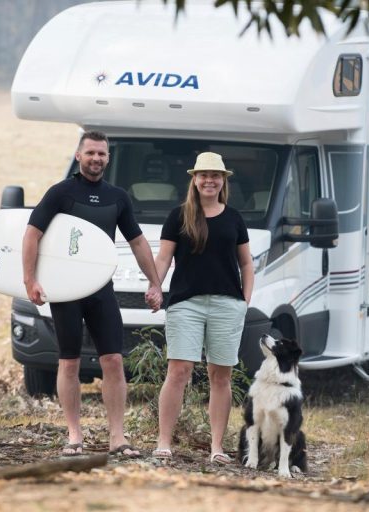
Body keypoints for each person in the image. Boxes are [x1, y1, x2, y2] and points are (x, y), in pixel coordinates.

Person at [23, 130, 162, 458]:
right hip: (66, 290)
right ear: (78, 155)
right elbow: (32, 234)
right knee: (69, 362)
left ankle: (117, 437)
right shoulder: (60, 193)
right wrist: (30, 280)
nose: (96, 159)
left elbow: (138, 242)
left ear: (108, 158)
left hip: (101, 290)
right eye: (90, 153)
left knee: (113, 360)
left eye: (102, 154)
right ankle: (74, 435)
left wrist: (154, 282)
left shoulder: (117, 197)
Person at [147, 151, 254, 464]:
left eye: (215, 175)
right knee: (179, 371)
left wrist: (244, 302)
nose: (210, 180)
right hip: (186, 304)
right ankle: (164, 442)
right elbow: (164, 258)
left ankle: (217, 447)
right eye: (204, 175)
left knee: (220, 376)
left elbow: (246, 263)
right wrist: (155, 286)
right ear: (194, 180)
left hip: (227, 305)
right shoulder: (178, 216)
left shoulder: (234, 218)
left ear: (223, 181)